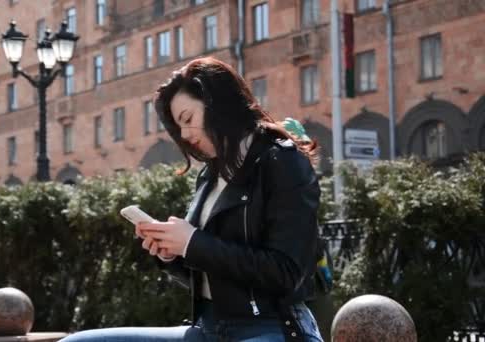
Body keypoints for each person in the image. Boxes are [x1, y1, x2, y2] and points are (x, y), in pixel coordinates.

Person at [60, 57, 323, 341]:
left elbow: (285, 273)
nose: (185, 135)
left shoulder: (283, 161)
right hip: (208, 328)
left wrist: (193, 242)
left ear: (219, 104)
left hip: (270, 328)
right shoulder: (210, 174)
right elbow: (212, 271)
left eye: (188, 119)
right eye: (178, 126)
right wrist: (173, 253)